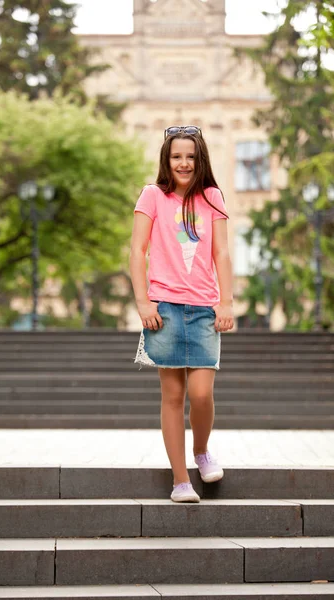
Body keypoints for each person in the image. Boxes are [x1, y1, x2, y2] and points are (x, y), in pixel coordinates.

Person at [129, 125, 234, 503]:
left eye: (190, 156)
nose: (184, 163)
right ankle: (181, 480)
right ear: (166, 159)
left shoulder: (213, 197)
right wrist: (143, 302)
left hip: (205, 308)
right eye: (177, 156)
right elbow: (137, 250)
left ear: (200, 158)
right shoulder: (153, 195)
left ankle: (202, 451)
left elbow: (221, 253)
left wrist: (226, 301)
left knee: (202, 394)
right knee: (173, 397)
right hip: (165, 309)